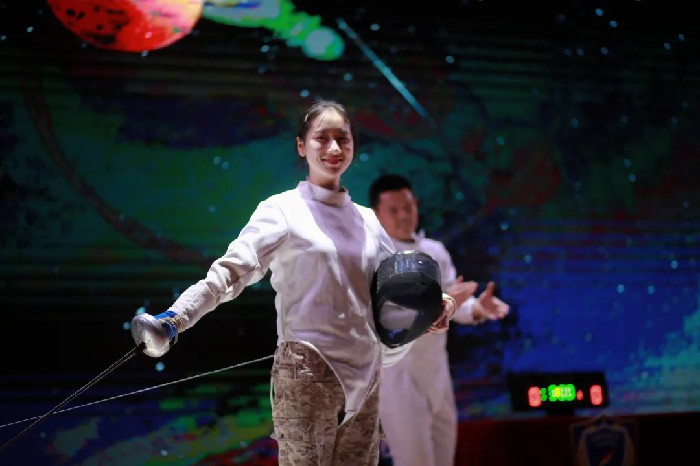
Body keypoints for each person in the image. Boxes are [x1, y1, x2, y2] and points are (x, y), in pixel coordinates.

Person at [129, 101, 457, 466]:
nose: (334, 148)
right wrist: (176, 318)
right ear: (302, 145)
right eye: (322, 138)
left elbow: (394, 289)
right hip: (307, 373)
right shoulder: (282, 210)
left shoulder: (368, 221)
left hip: (366, 377)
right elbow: (229, 275)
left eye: (342, 139)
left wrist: (437, 303)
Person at [369, 173, 510, 466]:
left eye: (407, 207)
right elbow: (386, 317)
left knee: (445, 458)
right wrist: (440, 303)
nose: (403, 215)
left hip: (437, 374)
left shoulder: (434, 251)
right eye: (393, 210)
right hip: (399, 377)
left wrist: (477, 308)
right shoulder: (373, 256)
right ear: (376, 214)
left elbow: (454, 301)